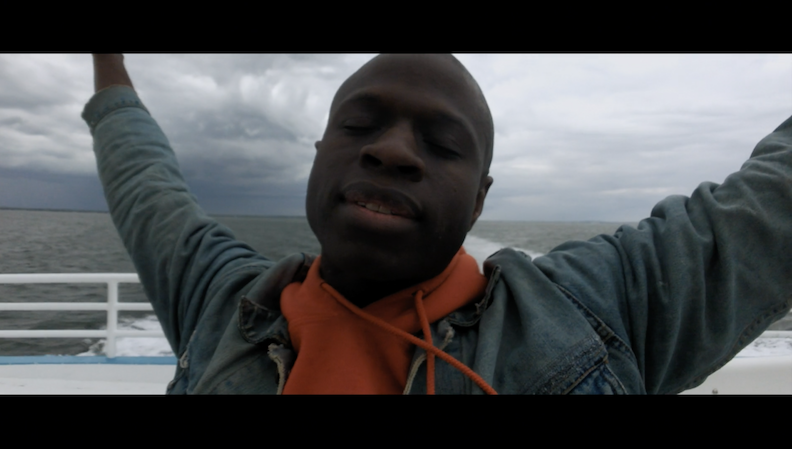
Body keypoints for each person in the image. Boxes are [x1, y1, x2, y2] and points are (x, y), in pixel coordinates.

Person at [84, 54, 792, 394]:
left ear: (480, 201)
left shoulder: (598, 309)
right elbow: (147, 183)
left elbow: (771, 202)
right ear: (317, 157)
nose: (391, 149)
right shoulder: (220, 303)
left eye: (442, 145)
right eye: (359, 124)